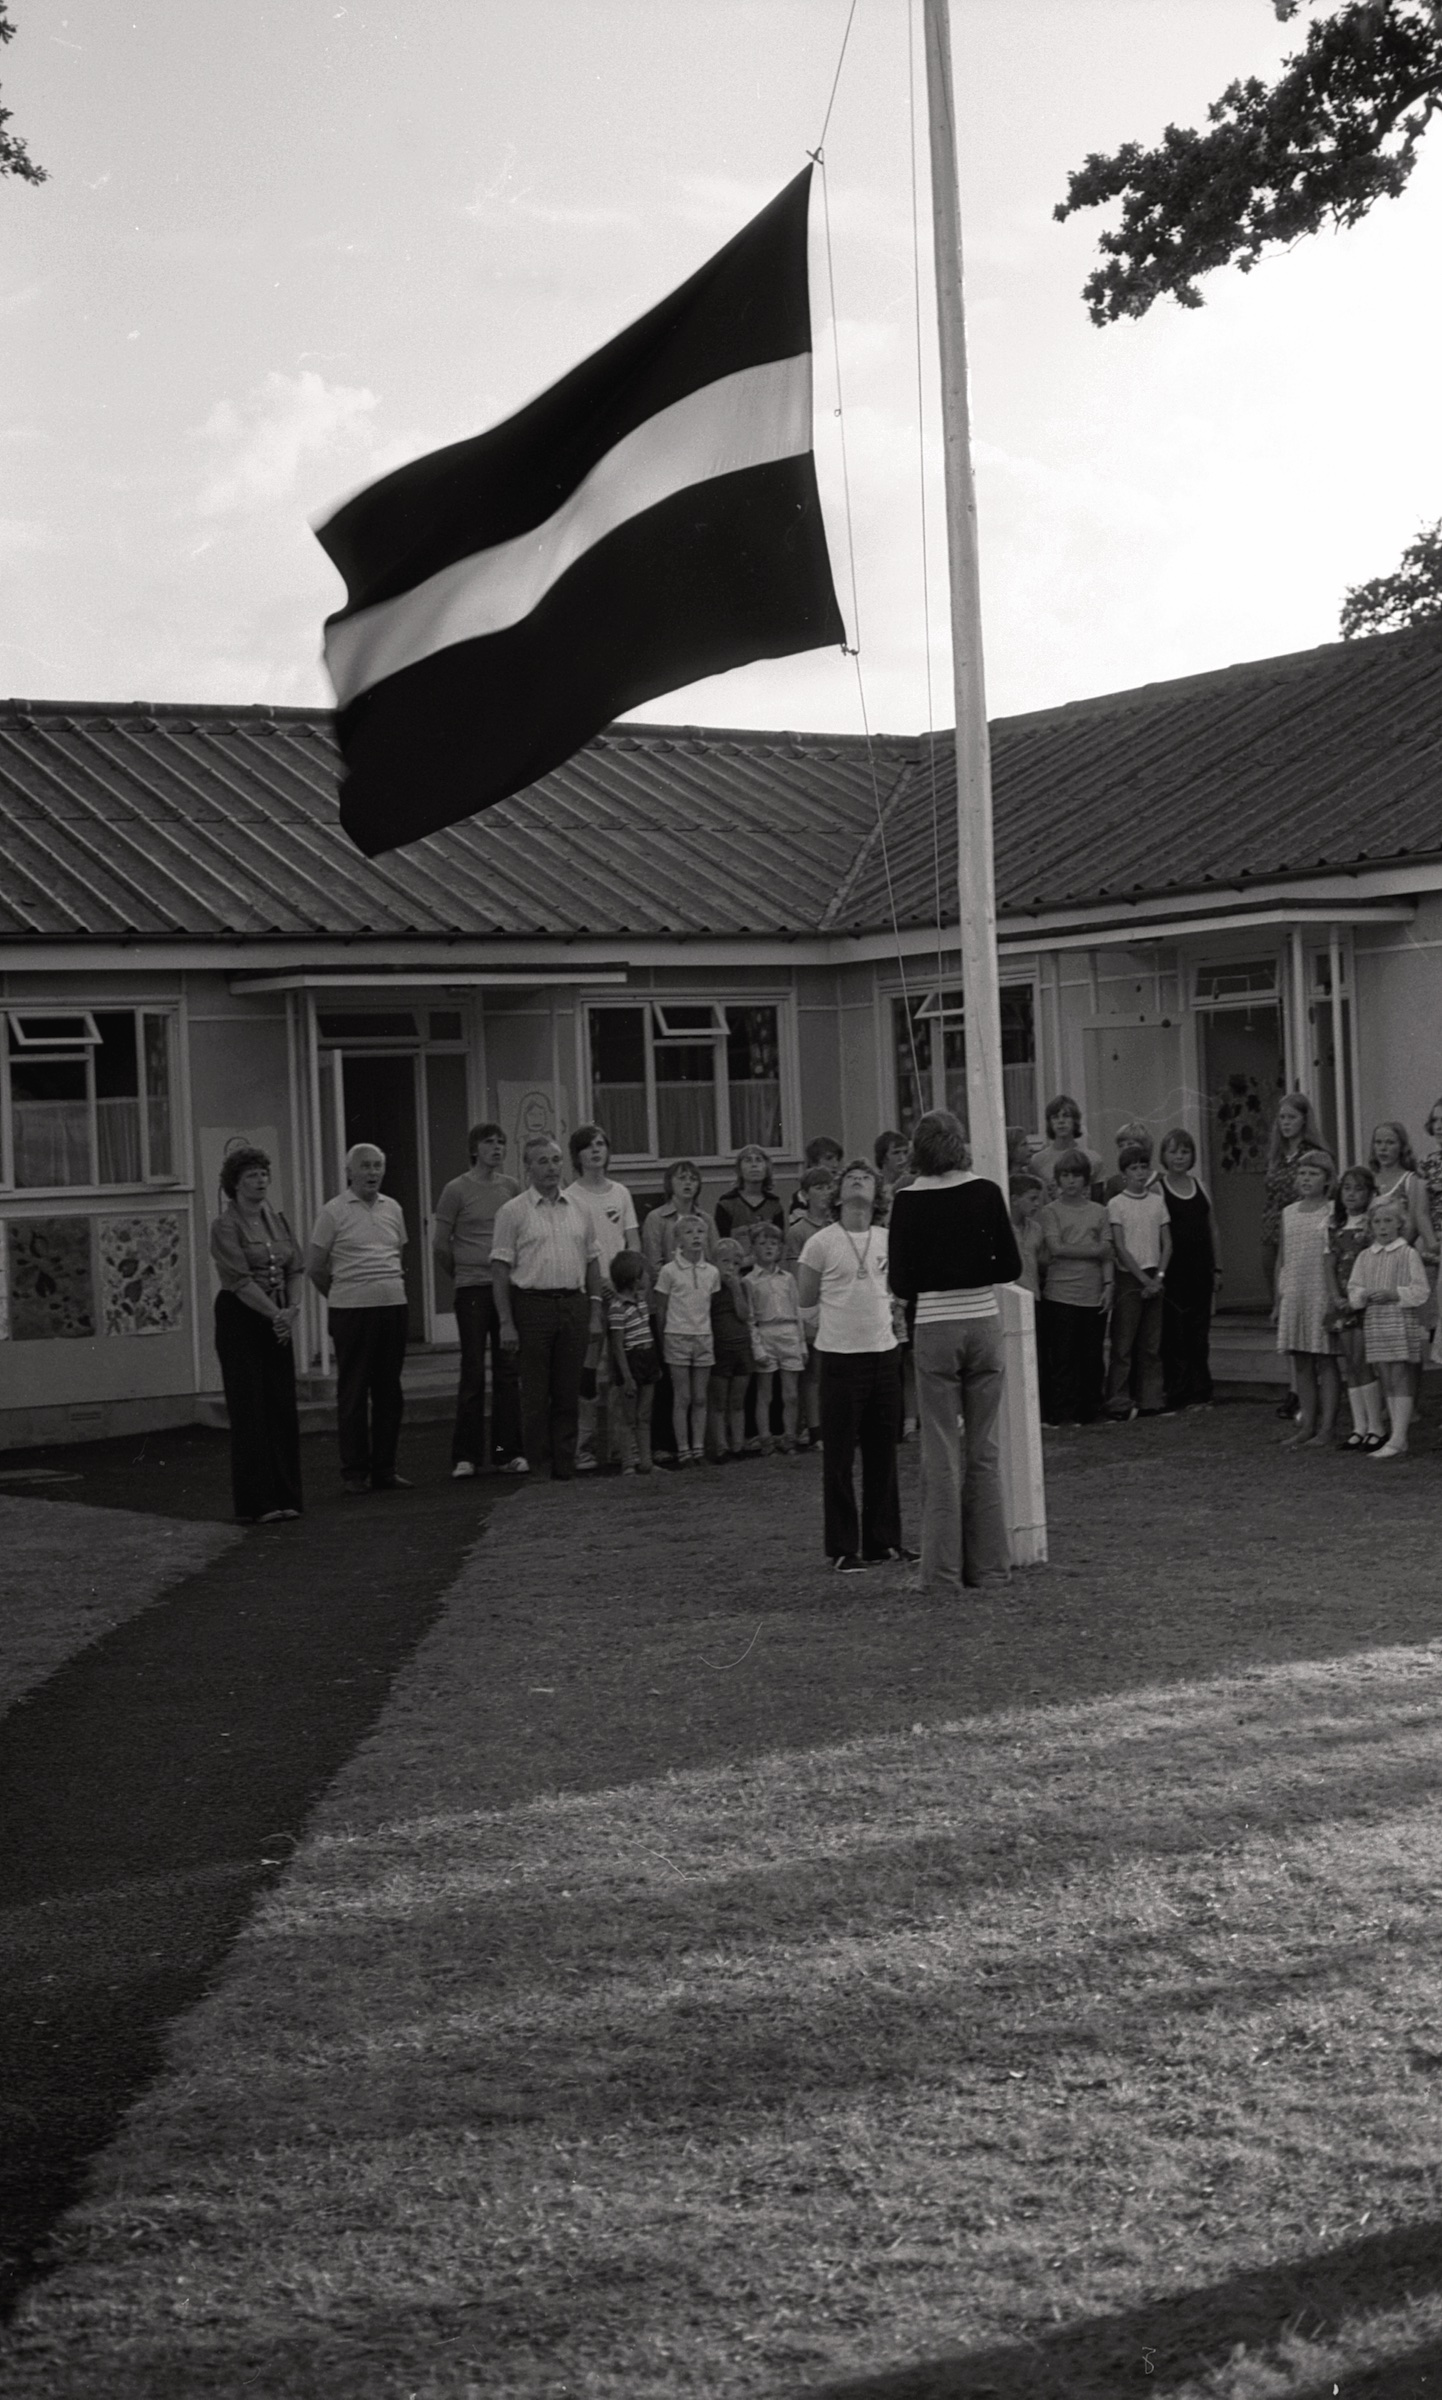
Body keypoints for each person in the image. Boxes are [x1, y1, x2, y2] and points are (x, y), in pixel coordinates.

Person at [885, 1109, 1021, 1594]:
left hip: (936, 1327)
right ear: (961, 1144)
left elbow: (899, 1281)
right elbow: (1010, 1264)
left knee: (940, 1452)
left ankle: (941, 1574)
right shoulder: (986, 1192)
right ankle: (990, 1569)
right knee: (983, 1450)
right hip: (984, 1322)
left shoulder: (906, 1201)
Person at [795, 1157, 909, 1572]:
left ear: (877, 1194)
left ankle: (884, 1542)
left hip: (884, 1355)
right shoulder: (821, 1242)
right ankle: (843, 1548)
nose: (859, 1182)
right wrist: (830, 1335)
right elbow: (805, 1301)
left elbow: (898, 1289)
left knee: (884, 1454)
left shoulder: (886, 1238)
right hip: (841, 1360)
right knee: (839, 1459)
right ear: (837, 1194)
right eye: (851, 1178)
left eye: (867, 1179)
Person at [490, 1135, 604, 1481]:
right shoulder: (512, 1212)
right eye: (543, 1161)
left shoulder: (580, 1208)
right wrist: (506, 1322)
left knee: (568, 1391)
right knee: (536, 1395)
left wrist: (595, 1312)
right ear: (527, 1168)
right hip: (532, 1306)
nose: (552, 1168)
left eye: (556, 1160)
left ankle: (564, 1465)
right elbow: (499, 1269)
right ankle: (539, 1468)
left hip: (574, 1304)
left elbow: (593, 1262)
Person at [306, 1142, 410, 1495]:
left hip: (392, 1309)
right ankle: (354, 1473)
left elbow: (396, 1254)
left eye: (378, 1166)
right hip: (351, 1312)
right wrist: (343, 1295)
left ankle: (385, 1469)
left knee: (389, 1394)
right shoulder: (333, 1212)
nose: (372, 1173)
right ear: (350, 1172)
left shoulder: (393, 1208)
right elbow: (316, 1267)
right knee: (353, 1393)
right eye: (365, 1166)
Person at [210, 1141, 304, 1524]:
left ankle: (287, 1496)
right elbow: (238, 1279)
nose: (261, 1181)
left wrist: (291, 1310)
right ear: (236, 1183)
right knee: (250, 1410)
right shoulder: (224, 1226)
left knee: (281, 1405)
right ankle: (258, 1503)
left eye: (264, 1174)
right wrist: (273, 1314)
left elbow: (296, 1266)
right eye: (252, 1175)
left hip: (278, 1314)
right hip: (243, 1317)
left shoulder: (276, 1220)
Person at [432, 1121, 522, 1479]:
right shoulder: (455, 1190)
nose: (497, 1148)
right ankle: (466, 1457)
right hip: (471, 1289)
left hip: (505, 1288)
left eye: (501, 1142)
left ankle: (504, 1453)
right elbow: (440, 1244)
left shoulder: (512, 1187)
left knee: (506, 1372)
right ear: (474, 1149)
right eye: (489, 1142)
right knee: (472, 1372)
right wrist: (463, 1274)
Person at [563, 1122, 641, 1470]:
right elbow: (576, 1247)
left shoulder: (620, 1193)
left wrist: (628, 1283)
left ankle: (619, 1449)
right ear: (577, 1155)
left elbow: (632, 1242)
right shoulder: (571, 1197)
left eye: (601, 1144)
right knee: (589, 1372)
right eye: (588, 1146)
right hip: (592, 1295)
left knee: (621, 1372)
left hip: (624, 1295)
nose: (596, 1150)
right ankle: (584, 1447)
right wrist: (602, 1284)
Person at [1348, 1192, 1431, 1458]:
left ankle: (1398, 1437)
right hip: (1376, 1323)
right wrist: (1363, 1296)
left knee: (1399, 1376)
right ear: (1370, 1226)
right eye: (1377, 1222)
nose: (1382, 1227)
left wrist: (1394, 1294)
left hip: (1399, 1320)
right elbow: (1354, 1289)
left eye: (1388, 1221)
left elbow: (1421, 1290)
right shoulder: (1365, 1257)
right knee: (1385, 1376)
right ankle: (1395, 1434)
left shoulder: (1407, 1254)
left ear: (1399, 1224)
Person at [1035, 1153, 1112, 1425]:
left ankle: (1093, 1410)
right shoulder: (1050, 1212)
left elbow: (1108, 1253)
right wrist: (1095, 1249)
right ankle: (1065, 1413)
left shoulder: (1099, 1211)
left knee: (1092, 1358)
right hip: (1060, 1294)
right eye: (1065, 1176)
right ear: (1057, 1180)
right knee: (1064, 1359)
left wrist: (1109, 1285)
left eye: (1076, 1175)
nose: (1070, 1181)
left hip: (1093, 1294)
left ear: (1085, 1179)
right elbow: (1056, 1248)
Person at [1275, 1151, 1340, 1447]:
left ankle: (1327, 1428)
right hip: (1295, 1291)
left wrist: (1334, 1294)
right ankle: (1306, 1425)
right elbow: (1283, 1257)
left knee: (1325, 1360)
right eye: (1302, 1173)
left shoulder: (1332, 1211)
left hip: (1321, 1291)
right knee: (1301, 1360)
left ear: (1327, 1179)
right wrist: (1280, 1298)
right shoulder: (1288, 1213)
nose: (1306, 1179)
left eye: (1313, 1174)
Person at [1105, 1144, 1171, 1418]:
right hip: (1129, 1279)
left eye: (1144, 1167)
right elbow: (1120, 1247)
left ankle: (1151, 1400)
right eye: (1134, 1168)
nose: (1140, 1173)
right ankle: (1118, 1402)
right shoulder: (1116, 1204)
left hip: (1154, 1275)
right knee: (1123, 1345)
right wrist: (1142, 1279)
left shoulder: (1157, 1202)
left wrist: (1158, 1277)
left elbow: (1167, 1244)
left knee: (1151, 1344)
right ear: (1124, 1174)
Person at [1156, 1128, 1219, 1410]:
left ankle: (1201, 1390)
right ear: (1164, 1156)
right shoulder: (1158, 1189)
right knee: (1176, 1335)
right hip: (1173, 1273)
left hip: (1201, 1270)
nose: (1179, 1157)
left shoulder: (1201, 1186)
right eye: (1173, 1152)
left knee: (1198, 1333)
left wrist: (1218, 1268)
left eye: (1184, 1151)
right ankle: (1178, 1392)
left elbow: (1212, 1228)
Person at [1324, 1165, 1387, 1450]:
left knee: (1363, 1362)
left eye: (1358, 1189)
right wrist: (1335, 1296)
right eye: (1347, 1188)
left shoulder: (1371, 1225)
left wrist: (1357, 1297)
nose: (1351, 1194)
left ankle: (1376, 1426)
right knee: (1350, 1364)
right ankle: (1358, 1426)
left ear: (1370, 1193)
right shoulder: (1334, 1226)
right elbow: (1329, 1264)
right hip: (1341, 1302)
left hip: (1362, 1303)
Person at [653, 1214, 720, 1465]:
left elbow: (709, 1306)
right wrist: (663, 1339)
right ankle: (683, 1449)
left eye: (700, 1232)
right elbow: (661, 1308)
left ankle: (699, 1448)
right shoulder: (669, 1271)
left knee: (700, 1396)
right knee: (683, 1396)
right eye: (689, 1233)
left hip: (703, 1336)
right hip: (677, 1336)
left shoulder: (711, 1272)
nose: (696, 1237)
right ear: (678, 1239)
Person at [786, 1166, 840, 1447]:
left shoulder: (839, 1226)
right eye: (818, 1187)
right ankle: (816, 1429)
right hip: (813, 1305)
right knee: (814, 1371)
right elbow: (798, 1275)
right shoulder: (798, 1231)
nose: (825, 1192)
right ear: (805, 1195)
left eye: (829, 1186)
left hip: (838, 1304)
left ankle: (839, 1424)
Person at [746, 1217, 807, 1452]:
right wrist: (757, 1347)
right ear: (753, 1249)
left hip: (789, 1333)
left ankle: (789, 1436)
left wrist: (801, 1345)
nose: (769, 1247)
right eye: (762, 1243)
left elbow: (797, 1311)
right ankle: (765, 1438)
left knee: (790, 1394)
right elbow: (750, 1318)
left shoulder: (788, 1279)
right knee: (765, 1393)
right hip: (765, 1333)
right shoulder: (749, 1281)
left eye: (773, 1243)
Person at [605, 1249, 658, 1475]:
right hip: (631, 1361)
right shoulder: (618, 1309)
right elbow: (617, 1345)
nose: (649, 1277)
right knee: (629, 1417)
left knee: (644, 1415)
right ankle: (628, 1462)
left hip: (647, 1358)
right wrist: (626, 1376)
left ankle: (646, 1461)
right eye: (645, 1274)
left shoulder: (641, 1303)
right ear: (635, 1278)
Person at [706, 1236, 755, 1461]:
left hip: (742, 1349)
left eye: (736, 1263)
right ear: (714, 1262)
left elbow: (745, 1315)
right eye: (725, 1262)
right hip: (720, 1349)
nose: (730, 1268)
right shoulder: (710, 1288)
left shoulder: (743, 1286)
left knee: (737, 1401)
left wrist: (736, 1287)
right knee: (719, 1401)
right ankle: (720, 1446)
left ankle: (738, 1444)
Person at [641, 1159, 716, 1271]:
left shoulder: (706, 1219)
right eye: (682, 1178)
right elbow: (653, 1263)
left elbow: (715, 1257)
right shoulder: (656, 1218)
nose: (688, 1183)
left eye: (693, 1179)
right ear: (670, 1183)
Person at [713, 1145, 786, 1249]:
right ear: (739, 1169)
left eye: (758, 1160)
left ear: (767, 1168)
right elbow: (722, 1244)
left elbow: (779, 1244)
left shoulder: (774, 1205)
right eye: (748, 1160)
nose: (754, 1165)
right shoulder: (727, 1204)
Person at [1032, 1095, 1104, 1196]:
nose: (1061, 1121)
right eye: (1055, 1117)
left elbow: (1098, 1202)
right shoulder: (1037, 1161)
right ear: (1050, 1123)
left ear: (1075, 1120)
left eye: (1066, 1116)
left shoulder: (1093, 1158)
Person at [1009, 1172, 1045, 1300]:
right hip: (1010, 1297)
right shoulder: (1001, 1229)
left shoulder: (1036, 1228)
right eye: (1032, 1199)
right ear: (1014, 1200)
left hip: (1033, 1296)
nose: (1037, 1204)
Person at [788, 1136, 843, 1218]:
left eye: (838, 1159)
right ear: (813, 1162)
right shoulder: (801, 1197)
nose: (835, 1165)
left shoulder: (842, 1192)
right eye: (829, 1158)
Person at [1101, 1121, 1154, 1202]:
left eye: (1130, 1144)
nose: (1125, 1149)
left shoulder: (1159, 1180)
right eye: (1121, 1145)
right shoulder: (1114, 1183)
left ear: (1145, 1146)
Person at [872, 1129, 913, 1224]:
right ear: (883, 1157)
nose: (902, 1158)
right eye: (896, 1153)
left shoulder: (911, 1183)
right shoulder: (872, 1184)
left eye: (905, 1152)